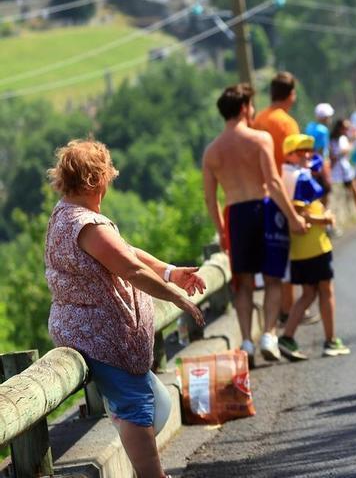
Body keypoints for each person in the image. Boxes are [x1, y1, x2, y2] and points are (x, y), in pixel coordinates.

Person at [45, 139, 207, 478]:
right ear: (96, 179)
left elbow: (126, 252)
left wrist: (170, 272)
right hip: (101, 337)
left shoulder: (68, 215)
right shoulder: (86, 225)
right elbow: (131, 270)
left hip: (87, 331)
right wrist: (177, 296)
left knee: (145, 402)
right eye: (106, 173)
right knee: (136, 407)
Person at [202, 83, 308, 366]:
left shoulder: (212, 152)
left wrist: (222, 232)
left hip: (235, 214)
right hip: (263, 210)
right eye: (250, 106)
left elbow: (210, 199)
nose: (252, 111)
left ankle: (247, 341)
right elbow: (273, 183)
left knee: (244, 285)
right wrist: (293, 217)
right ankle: (269, 335)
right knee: (273, 279)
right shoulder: (260, 139)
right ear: (243, 108)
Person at [277, 134, 350, 359]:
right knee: (325, 291)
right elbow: (299, 211)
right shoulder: (295, 177)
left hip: (303, 246)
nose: (307, 155)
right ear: (289, 155)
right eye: (301, 152)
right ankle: (330, 340)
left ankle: (288, 337)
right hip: (314, 244)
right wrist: (326, 219)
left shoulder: (289, 173)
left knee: (308, 293)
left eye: (309, 151)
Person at [252, 71, 303, 321]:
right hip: (285, 190)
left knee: (272, 252)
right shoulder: (287, 123)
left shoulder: (259, 119)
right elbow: (296, 160)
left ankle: (283, 309)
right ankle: (289, 309)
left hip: (260, 192)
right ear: (290, 95)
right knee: (288, 254)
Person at [329, 118, 356, 223]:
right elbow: (340, 152)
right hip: (336, 171)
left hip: (346, 169)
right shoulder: (333, 140)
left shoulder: (343, 138)